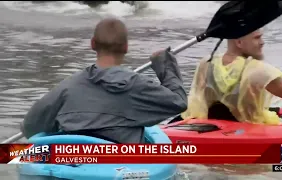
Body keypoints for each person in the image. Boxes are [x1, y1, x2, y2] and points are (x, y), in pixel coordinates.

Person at [21, 17, 187, 143]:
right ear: (126, 47)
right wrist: (164, 64)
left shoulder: (67, 88)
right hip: (121, 165)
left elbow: (30, 127)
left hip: (75, 164)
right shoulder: (139, 87)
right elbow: (178, 101)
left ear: (93, 44)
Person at [181, 28, 282, 125]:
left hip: (215, 123)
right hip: (250, 128)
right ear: (239, 42)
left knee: (272, 110)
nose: (262, 42)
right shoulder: (258, 70)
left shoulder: (206, 63)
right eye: (257, 38)